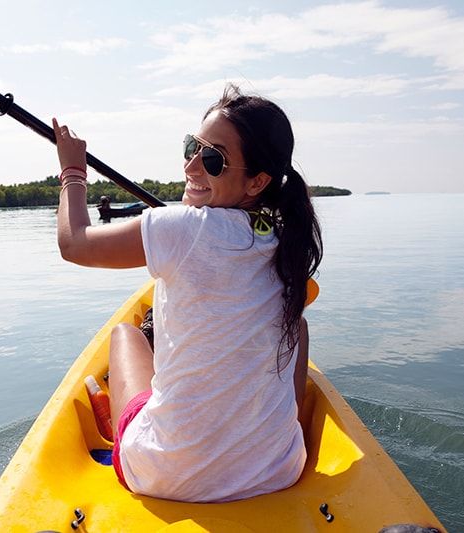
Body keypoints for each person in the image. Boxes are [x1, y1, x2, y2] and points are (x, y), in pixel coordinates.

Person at [53, 85, 322, 503]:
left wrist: (73, 173)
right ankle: (271, 434)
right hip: (275, 470)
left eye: (212, 159)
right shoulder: (284, 242)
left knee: (125, 336)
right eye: (192, 147)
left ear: (257, 181)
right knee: (297, 327)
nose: (191, 166)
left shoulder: (178, 227)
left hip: (166, 475)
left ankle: (124, 426)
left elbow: (75, 244)